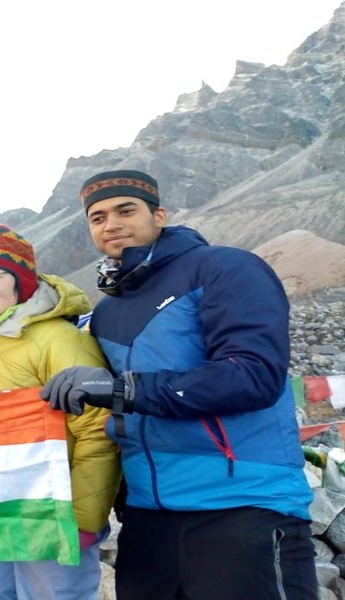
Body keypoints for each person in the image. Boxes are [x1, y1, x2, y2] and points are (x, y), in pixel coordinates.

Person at [42, 170, 317, 599]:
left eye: (125, 210)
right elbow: (118, 398)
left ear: (160, 215)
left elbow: (253, 375)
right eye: (97, 218)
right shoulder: (108, 310)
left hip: (241, 504)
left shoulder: (225, 267)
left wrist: (124, 391)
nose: (111, 224)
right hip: (148, 514)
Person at [0, 224, 120, 600]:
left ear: (21, 283)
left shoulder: (56, 339)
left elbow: (99, 429)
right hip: (0, 507)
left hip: (54, 513)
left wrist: (83, 517)